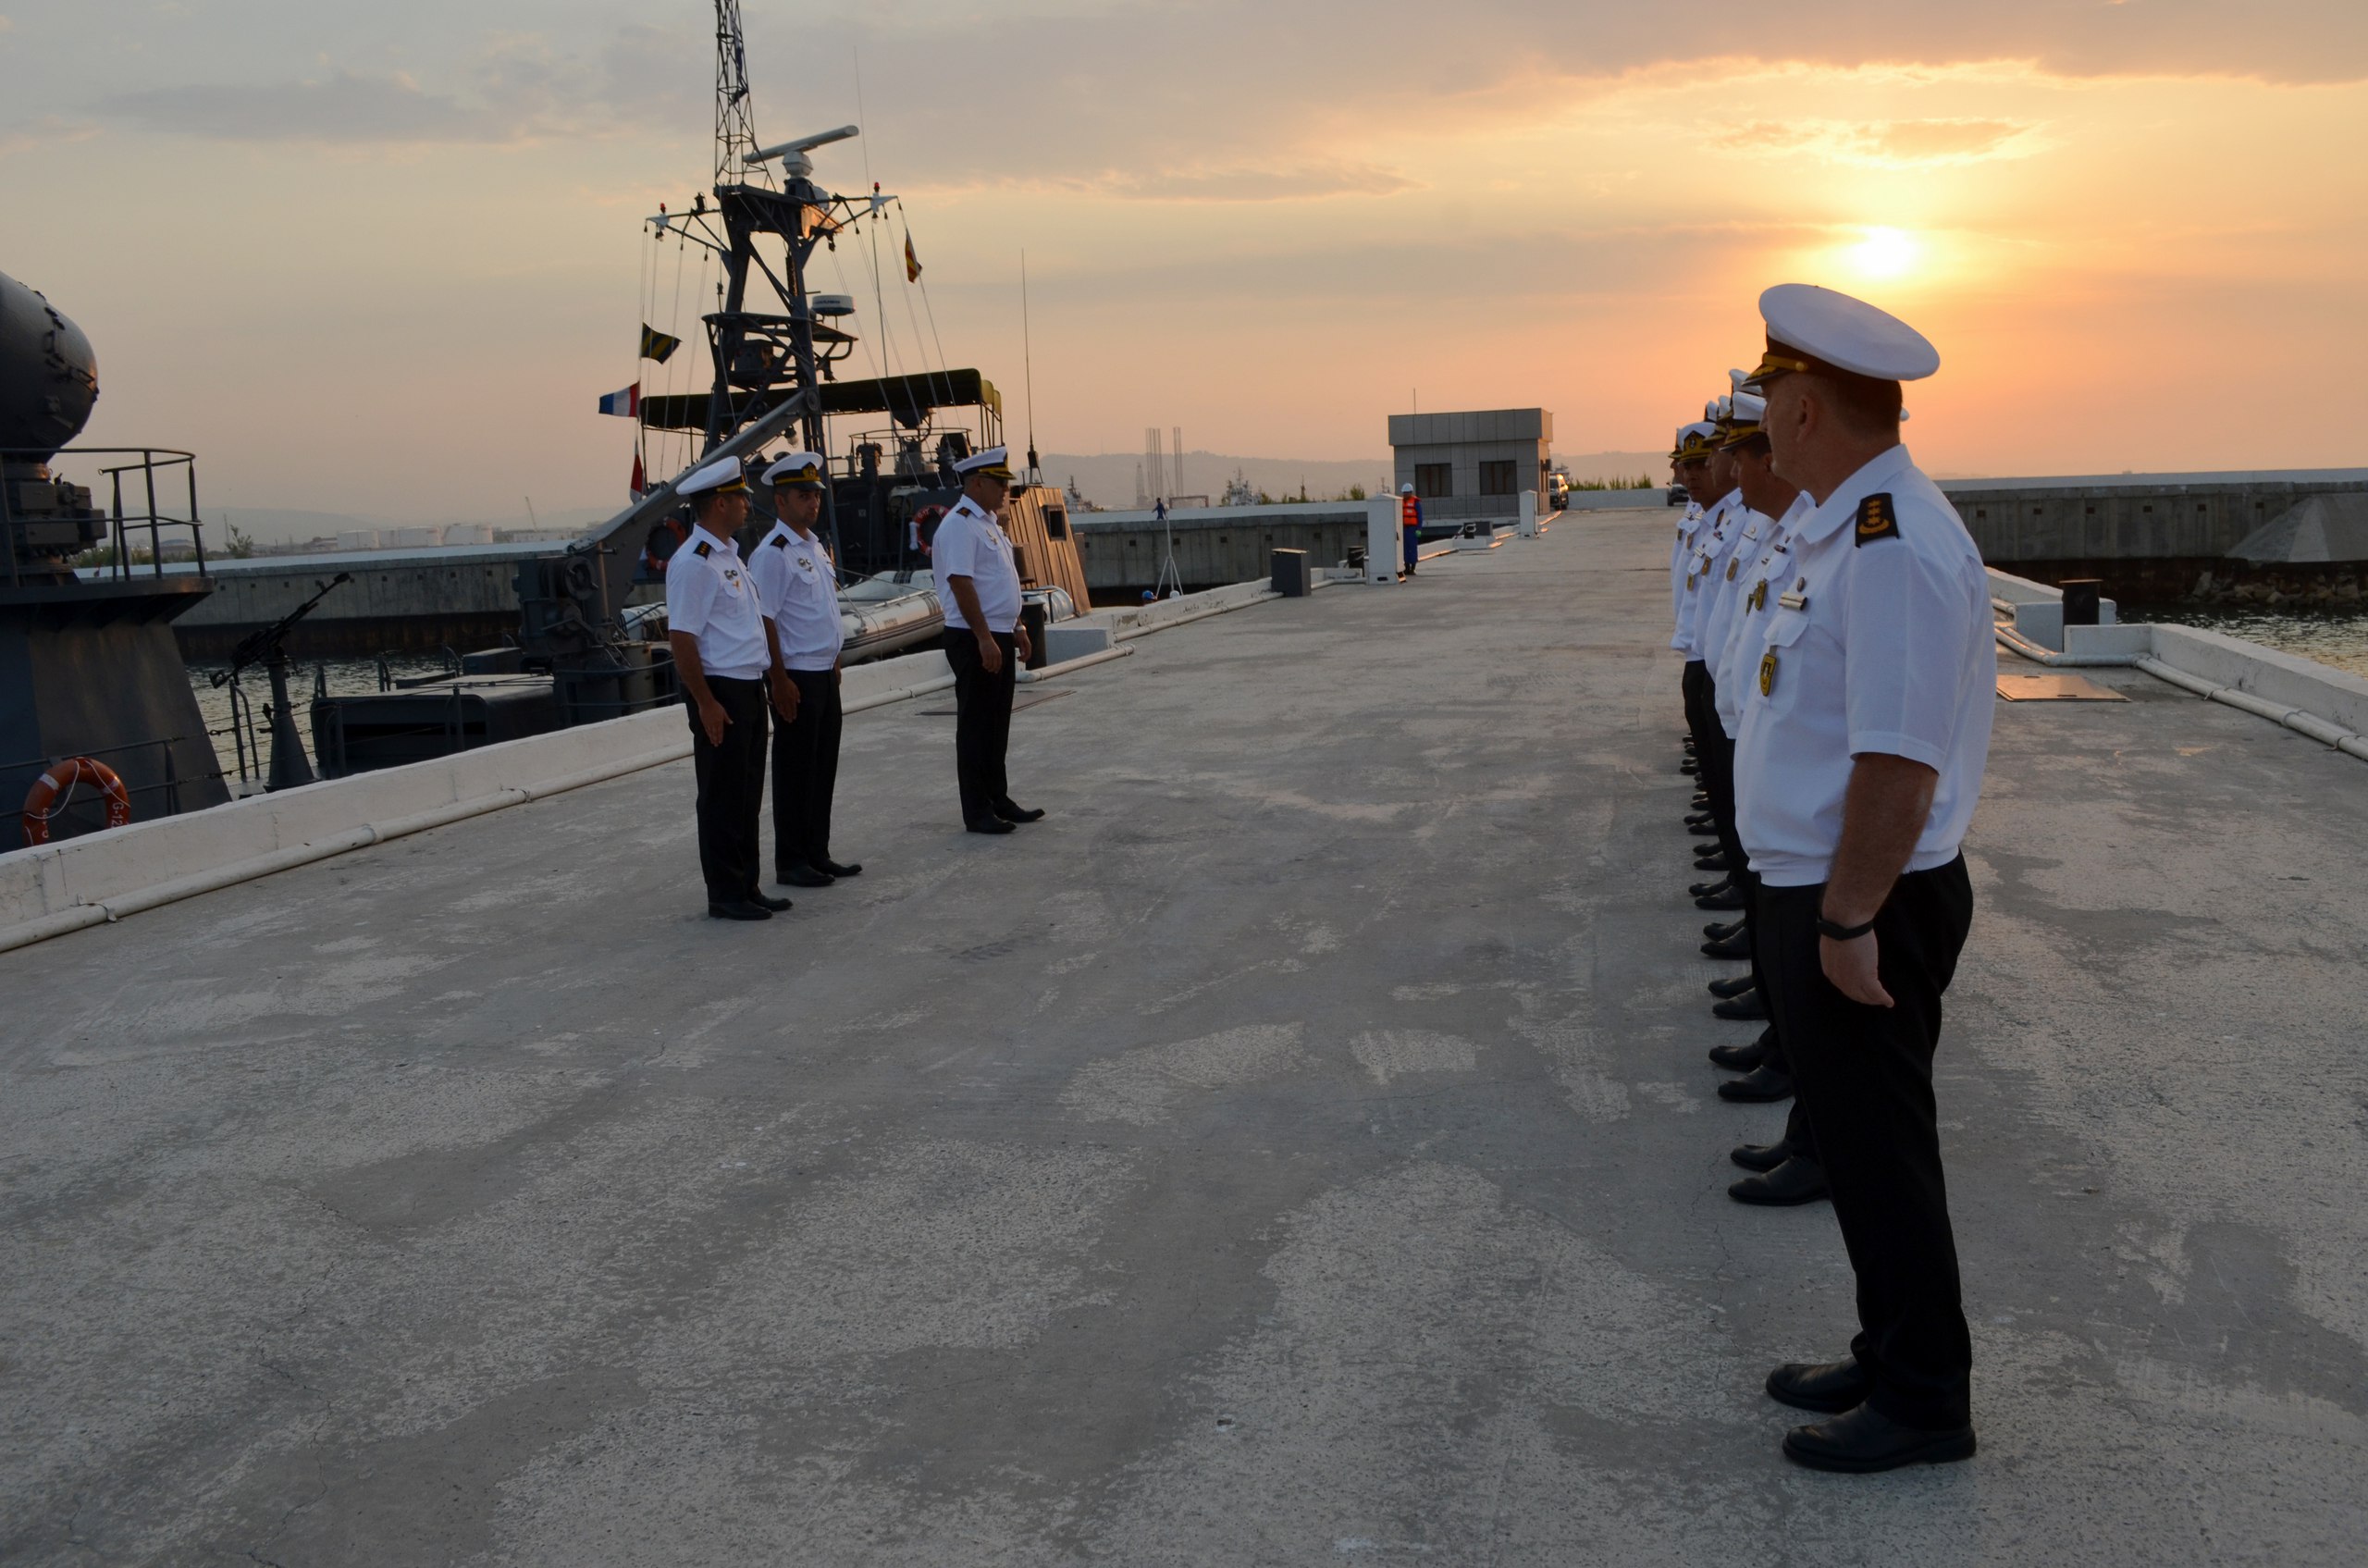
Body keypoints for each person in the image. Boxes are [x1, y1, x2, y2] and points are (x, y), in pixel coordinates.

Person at [1732, 282, 1993, 1473]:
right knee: (1858, 1150)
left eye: (1768, 400)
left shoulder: (1891, 546)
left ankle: (1925, 1401)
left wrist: (1844, 921)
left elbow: (1897, 762)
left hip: (1861, 902)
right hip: (1830, 891)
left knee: (1881, 1158)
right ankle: (1888, 1353)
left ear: (1801, 408)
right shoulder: (1850, 527)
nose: (1762, 423)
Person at [665, 454, 798, 921]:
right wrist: (705, 702)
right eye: (740, 497)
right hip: (720, 690)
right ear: (720, 503)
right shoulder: (695, 563)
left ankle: (747, 884)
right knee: (721, 795)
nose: (746, 503)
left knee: (746, 794)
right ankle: (724, 892)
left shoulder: (729, 557)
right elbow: (682, 637)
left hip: (746, 687)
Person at [752, 451, 860, 889]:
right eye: (802, 495)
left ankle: (818, 852)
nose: (812, 502)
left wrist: (834, 656)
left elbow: (822, 608)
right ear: (780, 501)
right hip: (795, 675)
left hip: (823, 672)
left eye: (815, 494)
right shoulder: (772, 554)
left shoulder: (814, 547)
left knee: (822, 767)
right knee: (795, 770)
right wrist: (778, 679)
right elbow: (766, 619)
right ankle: (792, 860)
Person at [932, 445, 1042, 834]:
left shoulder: (989, 524)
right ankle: (977, 810)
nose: (1005, 490)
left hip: (997, 633)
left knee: (997, 723)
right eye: (999, 483)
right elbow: (961, 583)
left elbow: (999, 582)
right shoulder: (960, 525)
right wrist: (983, 638)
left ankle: (998, 798)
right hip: (972, 636)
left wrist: (1017, 627)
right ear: (977, 483)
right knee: (976, 724)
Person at [1399, 482, 1423, 577]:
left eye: (1406, 493)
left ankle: (1413, 568)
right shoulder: (1400, 502)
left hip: (1413, 529)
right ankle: (1407, 567)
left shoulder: (1416, 503)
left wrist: (1419, 529)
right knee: (1405, 549)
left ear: (1410, 492)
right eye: (1404, 493)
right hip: (1404, 529)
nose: (1405, 494)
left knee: (1412, 548)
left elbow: (1419, 517)